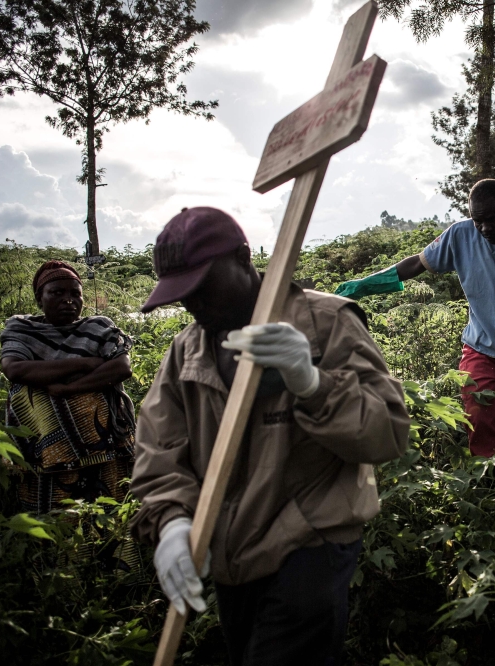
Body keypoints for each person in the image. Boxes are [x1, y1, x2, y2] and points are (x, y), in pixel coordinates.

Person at [129, 207, 410, 665]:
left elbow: (388, 434)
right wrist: (172, 522)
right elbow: (159, 449)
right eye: (181, 295)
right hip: (230, 552)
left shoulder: (326, 322)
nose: (193, 304)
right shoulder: (187, 349)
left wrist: (313, 383)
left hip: (310, 541)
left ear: (244, 258)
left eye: (202, 285)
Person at [336, 179, 495, 458]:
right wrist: (368, 283)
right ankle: (494, 472)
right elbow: (417, 263)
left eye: (492, 220)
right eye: (477, 221)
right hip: (482, 348)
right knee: (478, 415)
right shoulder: (460, 235)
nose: (484, 229)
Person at [0, 260, 135, 514]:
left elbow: (121, 368)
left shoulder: (97, 326)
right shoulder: (22, 329)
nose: (68, 300)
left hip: (102, 446)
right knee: (54, 511)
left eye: (75, 294)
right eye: (57, 293)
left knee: (107, 506)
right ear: (40, 298)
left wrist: (68, 389)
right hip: (42, 446)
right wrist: (87, 363)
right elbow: (15, 369)